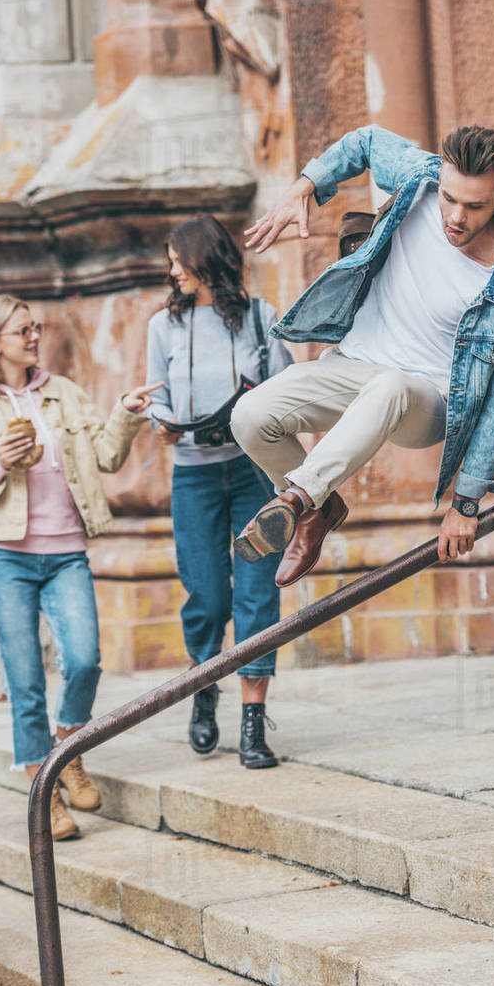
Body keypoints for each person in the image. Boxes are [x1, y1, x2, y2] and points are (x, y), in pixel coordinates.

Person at [230, 124, 494, 584]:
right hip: (353, 367)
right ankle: (319, 510)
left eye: (474, 206)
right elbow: (366, 141)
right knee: (250, 415)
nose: (455, 216)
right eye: (450, 198)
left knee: (392, 387)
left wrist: (467, 502)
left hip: (426, 402)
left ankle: (297, 499)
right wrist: (305, 186)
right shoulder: (420, 179)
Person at [0, 294, 157, 840]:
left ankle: (68, 749)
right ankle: (45, 792)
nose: (34, 337)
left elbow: (108, 457)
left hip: (67, 552)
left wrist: (125, 414)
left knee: (84, 660)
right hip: (7, 557)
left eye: (35, 327)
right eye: (22, 331)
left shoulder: (62, 393)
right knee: (24, 683)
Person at [146, 214, 292, 769]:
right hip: (194, 475)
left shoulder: (261, 319)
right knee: (206, 594)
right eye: (171, 262)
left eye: (179, 259)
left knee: (258, 592)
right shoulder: (163, 325)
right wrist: (158, 419)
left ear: (206, 259)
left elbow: (289, 392)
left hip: (252, 471)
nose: (173, 270)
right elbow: (156, 393)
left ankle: (253, 724)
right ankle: (203, 687)